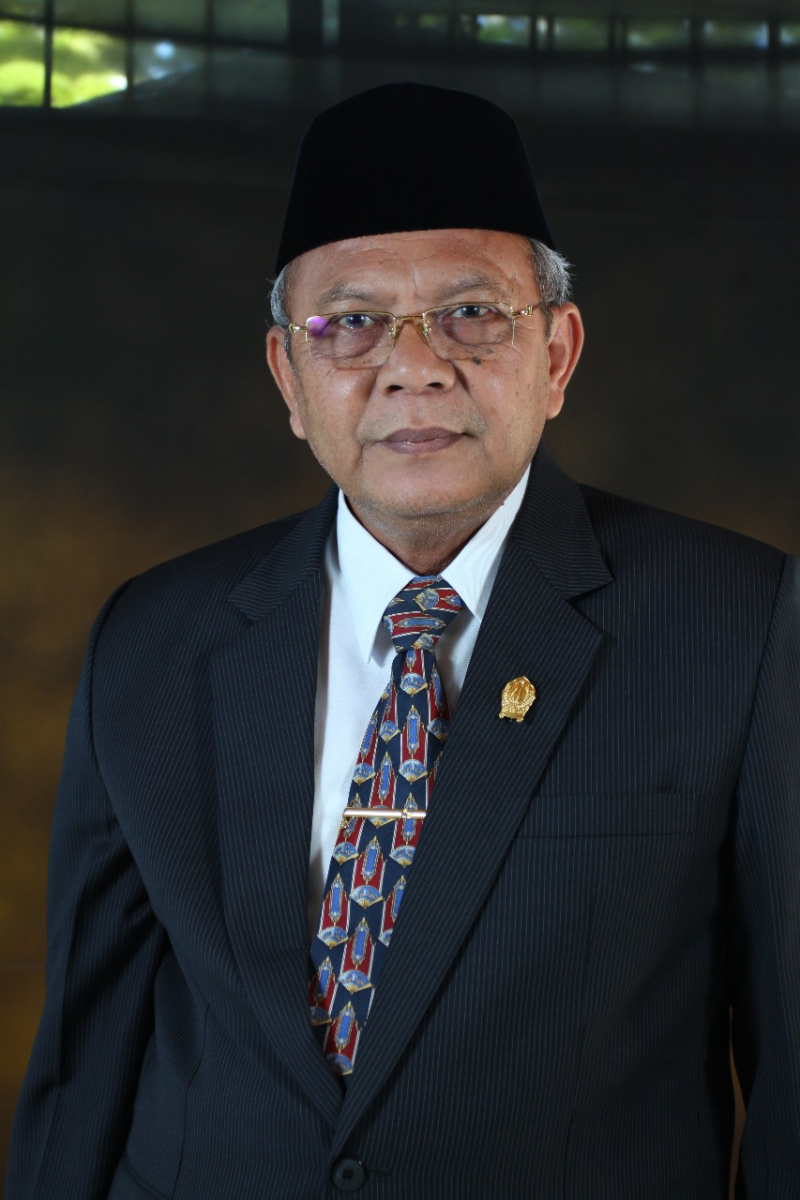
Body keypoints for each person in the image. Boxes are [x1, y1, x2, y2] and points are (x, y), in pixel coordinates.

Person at [6, 82, 800, 1200]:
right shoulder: (152, 637)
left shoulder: (738, 626)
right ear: (288, 377)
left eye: (471, 312)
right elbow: (83, 1069)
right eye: (350, 322)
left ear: (558, 354)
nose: (414, 365)